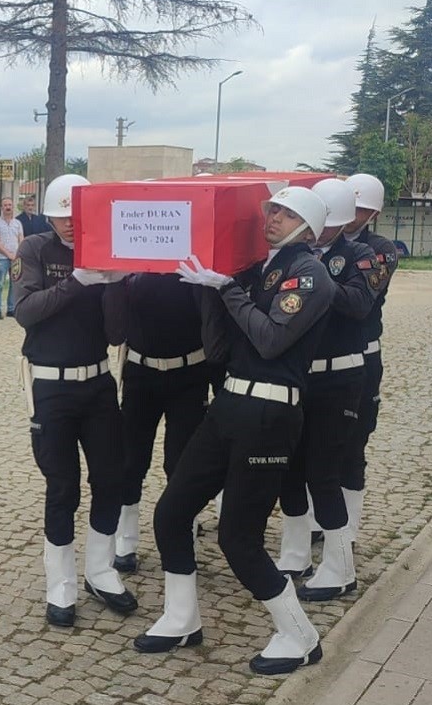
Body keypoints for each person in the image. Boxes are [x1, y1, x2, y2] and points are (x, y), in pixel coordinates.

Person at [133, 186, 335, 677]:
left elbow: (268, 340)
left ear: (308, 227)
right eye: (273, 211)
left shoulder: (310, 276)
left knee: (237, 537)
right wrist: (208, 291)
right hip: (229, 404)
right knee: (171, 512)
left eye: (287, 214)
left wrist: (226, 288)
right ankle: (182, 616)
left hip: (269, 414)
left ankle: (299, 634)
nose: (274, 218)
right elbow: (221, 350)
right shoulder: (263, 269)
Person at [13, 174, 137, 626]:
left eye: (76, 214)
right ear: (49, 216)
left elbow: (117, 333)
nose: (69, 223)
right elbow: (25, 312)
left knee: (111, 478)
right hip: (50, 383)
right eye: (61, 215)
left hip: (98, 381)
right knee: (61, 485)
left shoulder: (104, 249)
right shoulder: (35, 250)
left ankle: (101, 570)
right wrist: (78, 282)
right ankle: (60, 583)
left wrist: (116, 284)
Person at [275, 178, 383, 602]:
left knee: (325, 470)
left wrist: (312, 276)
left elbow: (360, 304)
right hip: (299, 375)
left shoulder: (360, 254)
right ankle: (295, 551)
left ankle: (339, 567)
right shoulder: (290, 255)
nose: (316, 233)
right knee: (291, 467)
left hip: (340, 376)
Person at [109, 268, 211, 574]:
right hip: (142, 372)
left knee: (182, 462)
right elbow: (116, 327)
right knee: (130, 459)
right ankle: (126, 539)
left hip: (190, 373)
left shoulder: (194, 265)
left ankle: (182, 534)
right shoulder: (134, 266)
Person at [337, 173, 400, 561]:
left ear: (373, 212)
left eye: (359, 210)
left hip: (363, 353)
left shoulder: (382, 249)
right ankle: (315, 521)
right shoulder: (322, 241)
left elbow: (361, 298)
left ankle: (349, 527)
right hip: (323, 354)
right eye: (348, 206)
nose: (350, 216)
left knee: (353, 441)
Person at [0, 198, 22, 320]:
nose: (8, 207)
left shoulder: (17, 223)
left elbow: (21, 240)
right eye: (5, 205)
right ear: (1, 207)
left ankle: (11, 308)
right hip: (2, 258)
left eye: (10, 204)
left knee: (14, 284)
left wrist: (18, 255)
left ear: (13, 207)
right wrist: (9, 254)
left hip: (15, 258)